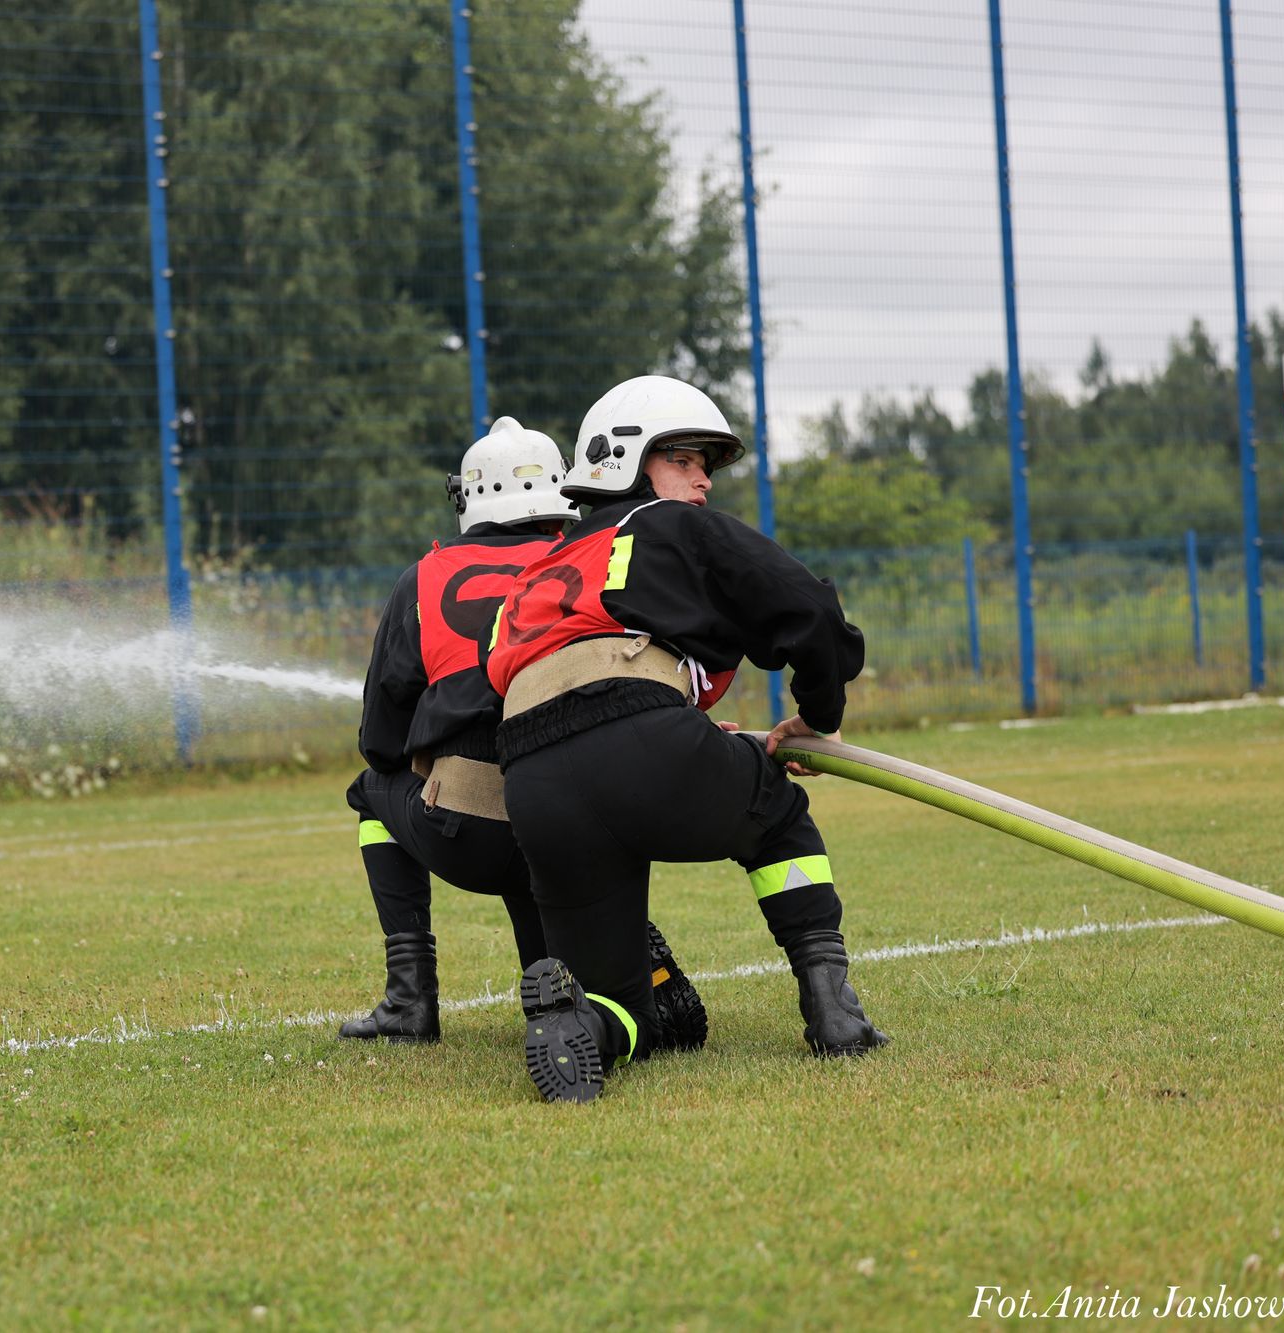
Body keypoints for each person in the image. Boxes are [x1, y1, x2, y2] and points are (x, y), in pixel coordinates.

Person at [485, 375, 887, 1103]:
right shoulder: (668, 524)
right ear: (626, 463)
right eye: (683, 457)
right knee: (779, 819)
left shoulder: (533, 573)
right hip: (642, 741)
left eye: (707, 461)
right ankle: (835, 1010)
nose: (703, 477)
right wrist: (818, 715)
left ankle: (589, 1029)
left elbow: (524, 682)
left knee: (623, 1003)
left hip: (534, 783)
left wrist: (670, 723)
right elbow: (809, 609)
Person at [342, 417, 708, 1052]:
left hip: (469, 830)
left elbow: (380, 742)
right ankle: (600, 973)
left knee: (370, 791)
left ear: (469, 496)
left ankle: (409, 1001)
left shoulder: (421, 581)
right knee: (544, 842)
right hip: (582, 823)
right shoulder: (591, 560)